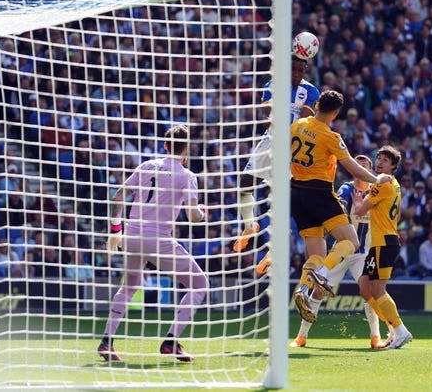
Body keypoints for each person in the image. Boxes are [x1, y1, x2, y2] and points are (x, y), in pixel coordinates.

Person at [97, 125, 209, 363]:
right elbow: (192, 217)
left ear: (165, 145)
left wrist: (116, 230)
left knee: (129, 287)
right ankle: (170, 342)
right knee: (199, 284)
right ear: (187, 149)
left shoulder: (146, 165)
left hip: (131, 234)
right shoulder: (187, 176)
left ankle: (106, 341)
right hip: (157, 238)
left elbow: (117, 196)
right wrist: (202, 212)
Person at [289, 90, 392, 324]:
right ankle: (322, 274)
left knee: (316, 253)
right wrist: (377, 179)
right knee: (352, 241)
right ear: (335, 113)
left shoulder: (296, 125)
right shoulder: (330, 136)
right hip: (319, 192)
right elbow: (352, 168)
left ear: (316, 105)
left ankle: (302, 288)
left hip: (296, 192)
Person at [290, 155, 387, 349]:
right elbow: (337, 210)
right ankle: (301, 336)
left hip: (363, 254)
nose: (361, 168)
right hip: (342, 251)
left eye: (365, 165)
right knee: (318, 292)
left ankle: (376, 337)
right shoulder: (346, 189)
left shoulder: (375, 192)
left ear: (370, 171)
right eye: (358, 165)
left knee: (370, 292)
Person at [233, 53, 320, 259]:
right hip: (270, 142)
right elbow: (267, 117)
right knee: (244, 184)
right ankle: (249, 225)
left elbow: (305, 121)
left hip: (293, 149)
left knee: (282, 200)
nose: (298, 74)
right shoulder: (273, 84)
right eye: (294, 69)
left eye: (302, 70)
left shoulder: (310, 91)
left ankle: (275, 251)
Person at [354, 145, 412, 350]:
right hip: (383, 241)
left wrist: (358, 200)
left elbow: (360, 211)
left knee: (377, 289)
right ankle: (394, 329)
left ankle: (400, 330)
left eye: (385, 160)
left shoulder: (381, 184)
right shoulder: (395, 185)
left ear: (393, 166)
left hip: (383, 242)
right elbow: (396, 215)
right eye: (378, 158)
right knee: (363, 285)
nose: (379, 162)